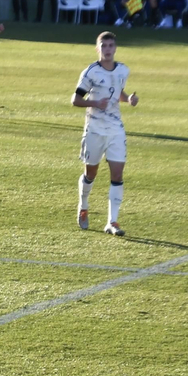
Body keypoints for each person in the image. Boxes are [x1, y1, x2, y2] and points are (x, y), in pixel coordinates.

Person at [73, 31, 139, 234]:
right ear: (98, 49)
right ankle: (83, 206)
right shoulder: (90, 72)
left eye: (111, 46)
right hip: (94, 128)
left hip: (115, 129)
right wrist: (94, 103)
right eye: (104, 46)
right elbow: (75, 100)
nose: (107, 50)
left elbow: (117, 91)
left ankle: (112, 222)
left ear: (115, 48)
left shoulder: (123, 71)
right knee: (90, 173)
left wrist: (128, 99)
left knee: (117, 174)